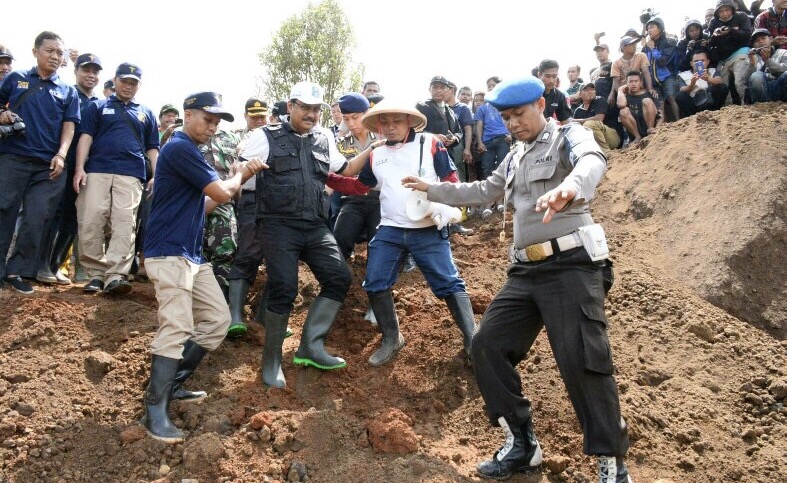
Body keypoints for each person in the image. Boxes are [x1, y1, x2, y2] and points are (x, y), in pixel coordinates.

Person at [402, 75, 632, 483]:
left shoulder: (568, 135)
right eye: (505, 117)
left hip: (572, 265)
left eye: (518, 114)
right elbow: (482, 190)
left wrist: (570, 186)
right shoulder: (514, 156)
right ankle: (522, 444)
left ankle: (612, 465)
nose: (512, 123)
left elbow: (593, 162)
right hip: (525, 271)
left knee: (582, 361)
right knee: (486, 345)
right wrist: (432, 189)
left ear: (541, 104)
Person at [141, 91, 263, 443]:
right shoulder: (180, 147)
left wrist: (231, 182)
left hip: (191, 255)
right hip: (169, 253)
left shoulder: (188, 153)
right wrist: (240, 175)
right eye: (207, 120)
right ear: (187, 115)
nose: (212, 128)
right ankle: (154, 408)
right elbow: (224, 194)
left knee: (216, 320)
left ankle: (174, 385)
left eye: (216, 123)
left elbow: (207, 203)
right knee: (177, 326)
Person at [241, 81, 370, 388]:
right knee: (284, 287)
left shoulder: (324, 138)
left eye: (316, 109)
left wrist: (374, 150)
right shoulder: (264, 136)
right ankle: (271, 361)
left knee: (338, 277)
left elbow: (346, 169)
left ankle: (311, 345)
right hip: (277, 224)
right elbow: (241, 172)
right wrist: (242, 173)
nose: (311, 114)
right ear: (290, 107)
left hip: (314, 223)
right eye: (305, 108)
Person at [346, 100, 476, 366]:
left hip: (427, 228)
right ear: (379, 126)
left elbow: (452, 180)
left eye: (397, 122)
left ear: (409, 122)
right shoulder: (376, 153)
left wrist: (445, 206)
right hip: (391, 228)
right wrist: (327, 178)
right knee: (375, 282)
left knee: (449, 283)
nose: (391, 128)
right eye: (386, 123)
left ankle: (473, 339)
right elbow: (362, 185)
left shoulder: (429, 144)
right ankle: (392, 338)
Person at [0, 31, 79, 294]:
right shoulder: (16, 78)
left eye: (60, 52)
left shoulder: (68, 91)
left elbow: (69, 127)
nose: (55, 56)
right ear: (35, 52)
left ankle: (16, 271)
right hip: (12, 158)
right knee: (4, 212)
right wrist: (2, 114)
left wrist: (62, 154)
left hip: (48, 166)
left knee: (37, 218)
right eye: (50, 51)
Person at [73, 63, 159, 295]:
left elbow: (153, 148)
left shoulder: (146, 113)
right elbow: (86, 138)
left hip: (131, 174)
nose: (128, 86)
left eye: (133, 83)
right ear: (115, 80)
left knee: (124, 224)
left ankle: (116, 275)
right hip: (97, 171)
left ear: (139, 85)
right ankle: (95, 275)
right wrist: (79, 168)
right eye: (124, 81)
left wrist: (156, 175)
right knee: (91, 220)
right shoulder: (97, 107)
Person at [39, 53, 102, 286]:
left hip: (84, 170)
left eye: (95, 71)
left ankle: (55, 265)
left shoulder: (100, 104)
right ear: (76, 71)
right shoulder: (66, 94)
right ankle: (41, 264)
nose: (91, 75)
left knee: (73, 219)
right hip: (60, 164)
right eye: (86, 69)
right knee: (51, 215)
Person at [415, 76, 473, 236]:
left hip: (448, 155)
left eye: (442, 87)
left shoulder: (450, 110)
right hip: (428, 155)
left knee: (451, 186)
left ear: (448, 90)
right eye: (435, 87)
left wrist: (454, 139)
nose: (438, 90)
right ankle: (427, 223)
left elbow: (459, 132)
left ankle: (454, 223)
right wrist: (433, 136)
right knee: (430, 188)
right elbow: (413, 129)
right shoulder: (422, 106)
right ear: (429, 89)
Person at [708, 0, 754, 104]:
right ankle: (728, 112)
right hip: (724, 59)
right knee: (724, 87)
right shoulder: (714, 22)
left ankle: (746, 106)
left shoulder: (741, 16)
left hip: (741, 53)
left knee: (740, 82)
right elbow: (711, 44)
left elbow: (747, 35)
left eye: (727, 10)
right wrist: (715, 35)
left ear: (732, 9)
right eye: (721, 11)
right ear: (717, 13)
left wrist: (731, 31)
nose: (725, 14)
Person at [643, 17, 680, 121]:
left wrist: (653, 49)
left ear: (660, 28)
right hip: (654, 81)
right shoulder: (646, 46)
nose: (649, 30)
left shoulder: (669, 42)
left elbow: (664, 62)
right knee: (659, 103)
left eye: (651, 27)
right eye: (648, 28)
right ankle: (662, 128)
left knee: (671, 97)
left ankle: (679, 122)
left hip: (668, 76)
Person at [676, 50, 730, 116]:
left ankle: (715, 114)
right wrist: (691, 84)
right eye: (696, 61)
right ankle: (691, 119)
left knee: (722, 87)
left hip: (711, 102)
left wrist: (708, 79)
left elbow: (719, 81)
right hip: (693, 104)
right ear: (691, 63)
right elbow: (682, 89)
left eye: (702, 60)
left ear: (708, 62)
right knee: (680, 96)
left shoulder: (712, 70)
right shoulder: (683, 75)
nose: (699, 63)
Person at [573, 83, 621, 153]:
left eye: (592, 89)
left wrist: (575, 121)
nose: (590, 92)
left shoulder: (599, 100)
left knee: (589, 124)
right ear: (580, 94)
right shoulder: (578, 111)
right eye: (586, 90)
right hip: (591, 142)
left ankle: (607, 153)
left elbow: (599, 119)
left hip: (611, 137)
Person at [618, 71, 658, 145]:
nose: (633, 84)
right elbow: (621, 105)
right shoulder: (625, 97)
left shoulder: (649, 93)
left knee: (647, 101)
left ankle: (651, 130)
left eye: (636, 81)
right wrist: (620, 90)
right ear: (626, 84)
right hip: (636, 130)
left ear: (641, 83)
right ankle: (637, 137)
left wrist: (657, 129)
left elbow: (660, 114)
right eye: (630, 81)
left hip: (650, 128)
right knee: (623, 111)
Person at [746, 28, 787, 101]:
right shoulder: (751, 57)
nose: (761, 42)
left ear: (771, 39)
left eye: (763, 38)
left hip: (780, 87)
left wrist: (767, 60)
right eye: (757, 41)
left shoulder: (782, 52)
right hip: (762, 93)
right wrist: (751, 64)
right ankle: (763, 105)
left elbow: (784, 70)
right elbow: (746, 80)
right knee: (756, 75)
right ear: (754, 45)